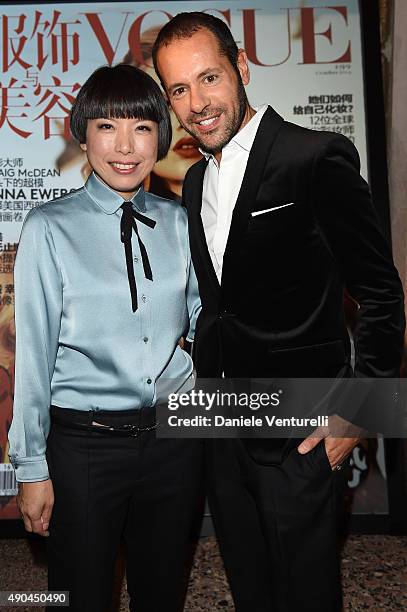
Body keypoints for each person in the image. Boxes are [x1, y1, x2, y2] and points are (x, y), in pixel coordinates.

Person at [152, 12, 405, 612]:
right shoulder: (192, 183)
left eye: (208, 78)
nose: (197, 103)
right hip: (223, 420)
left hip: (301, 427)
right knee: (250, 584)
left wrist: (357, 412)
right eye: (179, 90)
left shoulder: (315, 157)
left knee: (306, 589)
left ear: (240, 68)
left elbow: (382, 292)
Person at [8, 64, 204, 612]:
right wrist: (31, 467)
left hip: (173, 445)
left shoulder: (180, 222)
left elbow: (204, 324)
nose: (125, 145)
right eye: (107, 127)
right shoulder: (49, 228)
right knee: (80, 598)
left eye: (142, 128)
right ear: (83, 133)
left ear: (160, 139)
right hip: (84, 448)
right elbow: (34, 358)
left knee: (161, 593)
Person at [56, 26, 202, 201]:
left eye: (184, 98)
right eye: (163, 106)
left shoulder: (178, 219)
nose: (182, 121)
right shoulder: (52, 221)